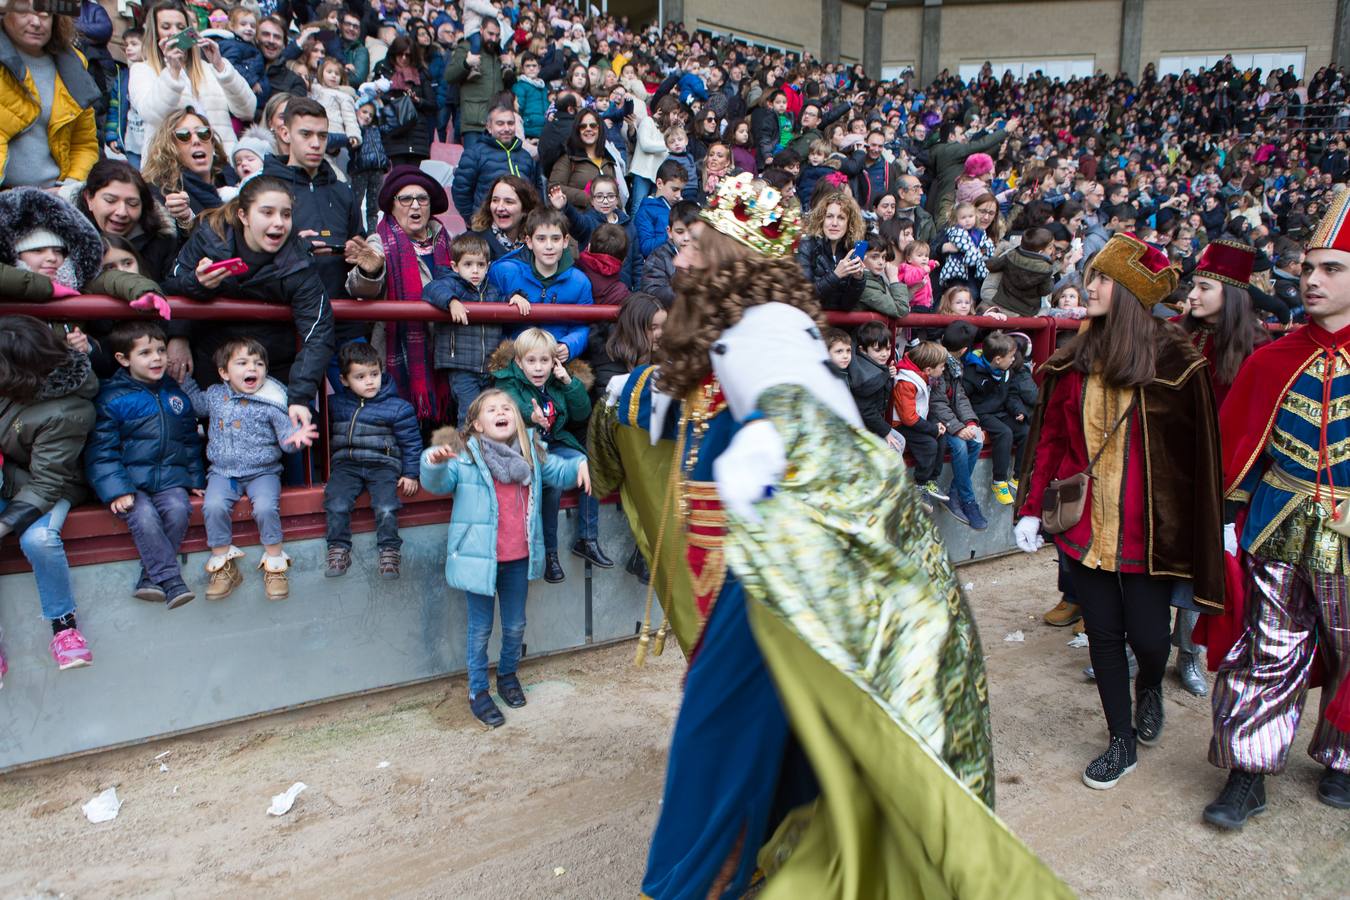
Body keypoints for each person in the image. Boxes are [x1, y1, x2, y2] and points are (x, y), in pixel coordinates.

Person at [586, 171, 1066, 898]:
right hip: (770, 571)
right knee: (774, 743)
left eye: (696, 247)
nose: (678, 260)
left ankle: (688, 884)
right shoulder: (739, 328)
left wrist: (767, 447)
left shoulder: (767, 331)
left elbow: (799, 414)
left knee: (713, 749)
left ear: (731, 265)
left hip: (780, 580)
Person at [1014, 233, 1223, 791]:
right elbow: (1052, 440)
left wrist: (1208, 520)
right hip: (1085, 528)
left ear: (1130, 290)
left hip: (1151, 533)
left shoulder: (1179, 362)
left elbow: (1195, 457)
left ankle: (1151, 684)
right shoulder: (1074, 357)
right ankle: (1120, 739)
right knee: (1105, 636)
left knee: (1151, 639)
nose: (1090, 285)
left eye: (1103, 278)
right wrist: (1031, 508)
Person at [1201, 193, 1350, 828]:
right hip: (1276, 520)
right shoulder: (1272, 359)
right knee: (1270, 646)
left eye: (1331, 268)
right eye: (1307, 267)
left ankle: (1343, 755)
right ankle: (1249, 770)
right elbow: (1239, 448)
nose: (1310, 280)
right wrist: (1227, 526)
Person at [419, 389, 589, 728]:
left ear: (517, 417)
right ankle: (478, 692)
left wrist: (580, 463)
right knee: (480, 630)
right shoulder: (465, 455)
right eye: (492, 409)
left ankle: (508, 677)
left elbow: (559, 471)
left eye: (507, 408)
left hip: (517, 558)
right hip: (480, 560)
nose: (501, 412)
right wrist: (432, 462)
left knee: (515, 626)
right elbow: (438, 482)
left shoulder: (531, 451)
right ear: (477, 425)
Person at [1169, 240, 1268, 697]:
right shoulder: (1174, 333)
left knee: (1196, 568)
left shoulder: (1256, 348)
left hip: (1218, 477)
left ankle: (1187, 655)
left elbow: (1254, 425)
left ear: (1230, 294)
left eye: (1204, 285)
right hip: (1166, 465)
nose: (1192, 293)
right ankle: (1137, 648)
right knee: (1150, 561)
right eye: (1193, 283)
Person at [163, 175, 335, 434]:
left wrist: (299, 397)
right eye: (267, 212)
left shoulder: (298, 261)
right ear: (243, 215)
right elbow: (170, 285)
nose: (278, 222)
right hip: (213, 363)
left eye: (286, 214)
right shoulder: (210, 237)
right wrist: (198, 285)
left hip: (272, 368)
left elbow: (318, 332)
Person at [180, 337, 318, 600]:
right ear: (224, 372)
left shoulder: (272, 400)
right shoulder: (215, 395)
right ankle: (223, 567)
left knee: (266, 507)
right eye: (242, 363)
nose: (252, 368)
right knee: (213, 506)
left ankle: (275, 565)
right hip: (223, 472)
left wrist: (296, 440)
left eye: (258, 363)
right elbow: (195, 405)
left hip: (263, 472)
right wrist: (183, 380)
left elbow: (287, 440)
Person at [0, 315, 97, 673]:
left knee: (39, 539)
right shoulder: (11, 384)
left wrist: (5, 524)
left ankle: (64, 627)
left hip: (51, 485)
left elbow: (46, 484)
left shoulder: (68, 408)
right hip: (8, 476)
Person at [84, 321, 203, 610]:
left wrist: (196, 478)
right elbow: (101, 451)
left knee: (178, 508)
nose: (157, 358)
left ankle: (150, 579)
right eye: (146, 352)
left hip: (169, 479)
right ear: (123, 359)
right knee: (145, 516)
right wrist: (116, 490)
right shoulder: (113, 397)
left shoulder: (175, 394)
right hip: (129, 483)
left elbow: (189, 441)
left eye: (161, 350)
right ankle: (172, 581)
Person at [489, 327, 607, 581]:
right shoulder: (507, 380)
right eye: (531, 361)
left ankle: (587, 538)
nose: (539, 368)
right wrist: (529, 416)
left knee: (588, 465)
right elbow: (509, 404)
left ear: (554, 361)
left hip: (554, 442)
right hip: (525, 448)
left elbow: (581, 414)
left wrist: (569, 383)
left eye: (545, 361)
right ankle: (550, 553)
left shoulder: (555, 381)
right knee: (551, 483)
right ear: (519, 362)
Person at [324, 341, 422, 580]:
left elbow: (411, 442)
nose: (370, 381)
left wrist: (410, 473)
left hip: (383, 466)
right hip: (347, 464)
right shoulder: (336, 405)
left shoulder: (397, 407)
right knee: (336, 502)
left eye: (374, 374)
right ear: (344, 380)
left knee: (386, 506)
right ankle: (338, 549)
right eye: (360, 376)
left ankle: (389, 551)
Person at [129, 1, 256, 154]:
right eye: (166, 27)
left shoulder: (208, 69)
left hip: (220, 164)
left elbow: (247, 110)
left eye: (181, 27)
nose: (174, 32)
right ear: (155, 33)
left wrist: (221, 67)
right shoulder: (142, 70)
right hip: (171, 166)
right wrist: (172, 72)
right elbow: (152, 115)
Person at [0, 0, 100, 188]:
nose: (36, 22)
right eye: (24, 13)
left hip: (52, 198)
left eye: (45, 14)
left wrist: (68, 190)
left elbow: (83, 143)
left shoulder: (73, 65)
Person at [422, 232, 515, 426]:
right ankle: (464, 454)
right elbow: (431, 290)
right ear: (455, 267)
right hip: (462, 367)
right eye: (468, 264)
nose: (475, 270)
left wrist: (516, 297)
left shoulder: (492, 290)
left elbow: (504, 300)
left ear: (488, 266)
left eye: (480, 265)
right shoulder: (451, 285)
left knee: (490, 415)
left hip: (489, 367)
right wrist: (452, 301)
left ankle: (485, 453)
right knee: (469, 414)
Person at [932, 321, 988, 530]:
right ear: (965, 350)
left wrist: (971, 423)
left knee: (976, 441)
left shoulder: (954, 364)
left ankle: (955, 494)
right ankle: (968, 501)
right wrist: (957, 428)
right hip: (933, 420)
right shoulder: (937, 361)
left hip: (949, 419)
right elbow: (935, 403)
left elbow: (960, 397)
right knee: (960, 445)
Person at [962, 330, 1029, 507]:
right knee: (1004, 433)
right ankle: (999, 481)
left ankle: (1018, 477)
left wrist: (1017, 410)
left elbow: (1011, 395)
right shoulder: (972, 373)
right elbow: (962, 399)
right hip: (981, 413)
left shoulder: (1007, 371)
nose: (1014, 359)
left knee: (1025, 430)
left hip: (1000, 411)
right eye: (1011, 356)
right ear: (998, 359)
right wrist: (968, 420)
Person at [140, 109, 233, 229]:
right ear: (170, 148)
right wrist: (185, 219)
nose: (196, 140)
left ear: (212, 143)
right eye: (184, 135)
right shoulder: (162, 192)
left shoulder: (232, 181)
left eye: (203, 133)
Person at [450, 100, 537, 221]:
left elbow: (535, 191)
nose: (506, 128)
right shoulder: (474, 154)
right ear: (489, 127)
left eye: (510, 123)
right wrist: (474, 220)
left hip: (522, 225)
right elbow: (461, 191)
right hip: (487, 226)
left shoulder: (525, 156)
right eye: (500, 124)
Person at [894, 339, 950, 503]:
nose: (943, 369)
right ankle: (919, 484)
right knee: (929, 444)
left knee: (942, 438)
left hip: (916, 420)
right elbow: (908, 417)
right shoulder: (906, 382)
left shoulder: (923, 376)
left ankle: (931, 479)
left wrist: (935, 426)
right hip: (901, 425)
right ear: (928, 369)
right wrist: (932, 429)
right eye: (942, 366)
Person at [445, 16, 512, 149]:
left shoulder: (499, 53)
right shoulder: (466, 47)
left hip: (497, 122)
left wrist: (510, 67)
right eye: (490, 33)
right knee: (474, 165)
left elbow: (508, 85)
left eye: (497, 35)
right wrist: (466, 63)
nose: (493, 39)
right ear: (481, 30)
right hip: (474, 123)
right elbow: (449, 76)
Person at [797, 189, 866, 310]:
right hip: (813, 320)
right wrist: (836, 275)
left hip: (839, 324)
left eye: (841, 218)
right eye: (829, 216)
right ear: (821, 220)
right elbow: (805, 296)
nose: (834, 223)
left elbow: (847, 306)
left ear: (849, 223)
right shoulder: (806, 246)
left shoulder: (849, 249)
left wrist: (857, 279)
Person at [374, 35, 436, 166]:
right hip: (394, 131)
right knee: (398, 177)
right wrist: (396, 100)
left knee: (413, 178)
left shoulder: (421, 73)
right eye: (400, 54)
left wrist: (417, 100)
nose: (403, 58)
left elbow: (432, 105)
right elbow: (374, 98)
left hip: (416, 133)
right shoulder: (383, 71)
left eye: (407, 55)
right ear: (393, 54)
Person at [548, 107, 622, 211]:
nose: (588, 129)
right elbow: (554, 188)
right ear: (577, 131)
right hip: (579, 221)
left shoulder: (608, 160)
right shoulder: (568, 158)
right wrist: (590, 198)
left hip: (607, 223)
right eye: (583, 126)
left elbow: (616, 194)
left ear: (599, 129)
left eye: (593, 125)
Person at [982, 226, 1055, 317]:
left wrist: (988, 260)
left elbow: (993, 266)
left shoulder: (1011, 255)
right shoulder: (1046, 269)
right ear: (1040, 252)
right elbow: (1045, 291)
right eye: (1050, 248)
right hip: (1027, 310)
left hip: (1003, 301)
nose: (1052, 251)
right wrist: (1051, 280)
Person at [639, 198, 697, 307]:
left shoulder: (710, 256)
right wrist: (691, 294)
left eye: (692, 232)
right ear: (669, 232)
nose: (686, 238)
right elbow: (651, 291)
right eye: (680, 232)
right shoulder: (658, 257)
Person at [468, 173, 539, 261]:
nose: (500, 207)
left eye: (509, 202)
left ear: (525, 209)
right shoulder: (473, 241)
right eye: (495, 200)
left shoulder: (537, 244)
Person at [634, 159, 685, 258]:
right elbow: (646, 248)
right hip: (660, 268)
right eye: (674, 189)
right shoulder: (645, 211)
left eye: (681, 190)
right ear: (659, 183)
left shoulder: (680, 208)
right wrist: (672, 235)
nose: (679, 195)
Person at [858, 236, 911, 318]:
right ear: (861, 257)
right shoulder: (865, 284)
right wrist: (894, 279)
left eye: (883, 257)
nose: (881, 262)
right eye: (874, 257)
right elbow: (901, 309)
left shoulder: (876, 279)